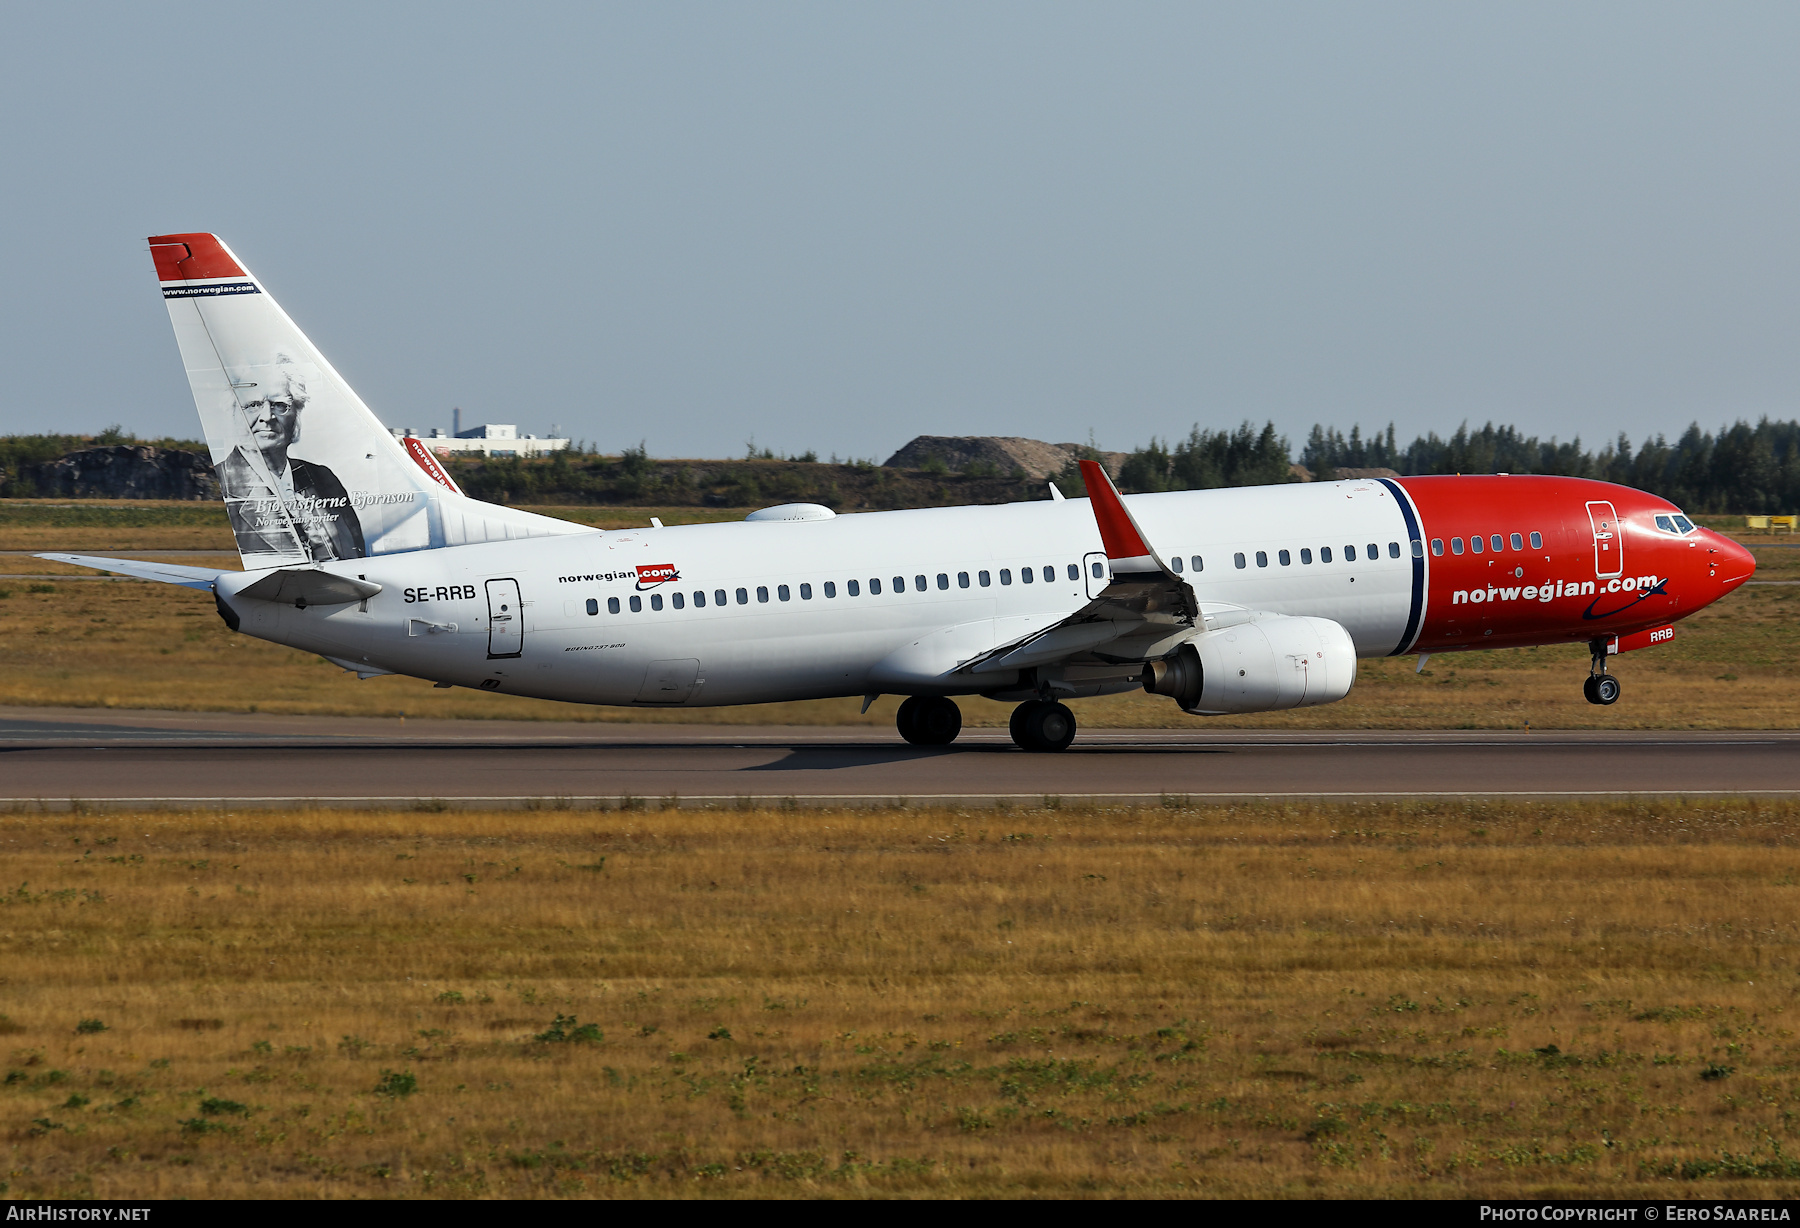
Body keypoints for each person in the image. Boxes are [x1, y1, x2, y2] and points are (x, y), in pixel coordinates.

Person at [217, 360, 366, 562]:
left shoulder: (323, 478)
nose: (267, 416)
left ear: (297, 414)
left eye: (280, 405)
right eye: (253, 405)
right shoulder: (223, 484)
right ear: (233, 412)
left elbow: (356, 552)